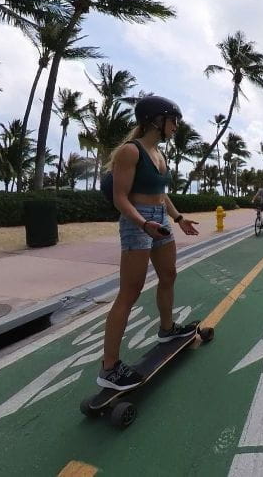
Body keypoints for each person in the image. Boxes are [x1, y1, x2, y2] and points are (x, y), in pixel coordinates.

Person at [98, 95, 203, 391]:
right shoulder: (130, 152)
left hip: (160, 218)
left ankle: (167, 330)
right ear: (156, 120)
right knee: (129, 293)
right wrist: (143, 223)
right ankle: (109, 367)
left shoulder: (159, 153)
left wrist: (178, 218)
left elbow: (161, 193)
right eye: (174, 120)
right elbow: (120, 198)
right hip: (138, 221)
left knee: (169, 274)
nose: (177, 126)